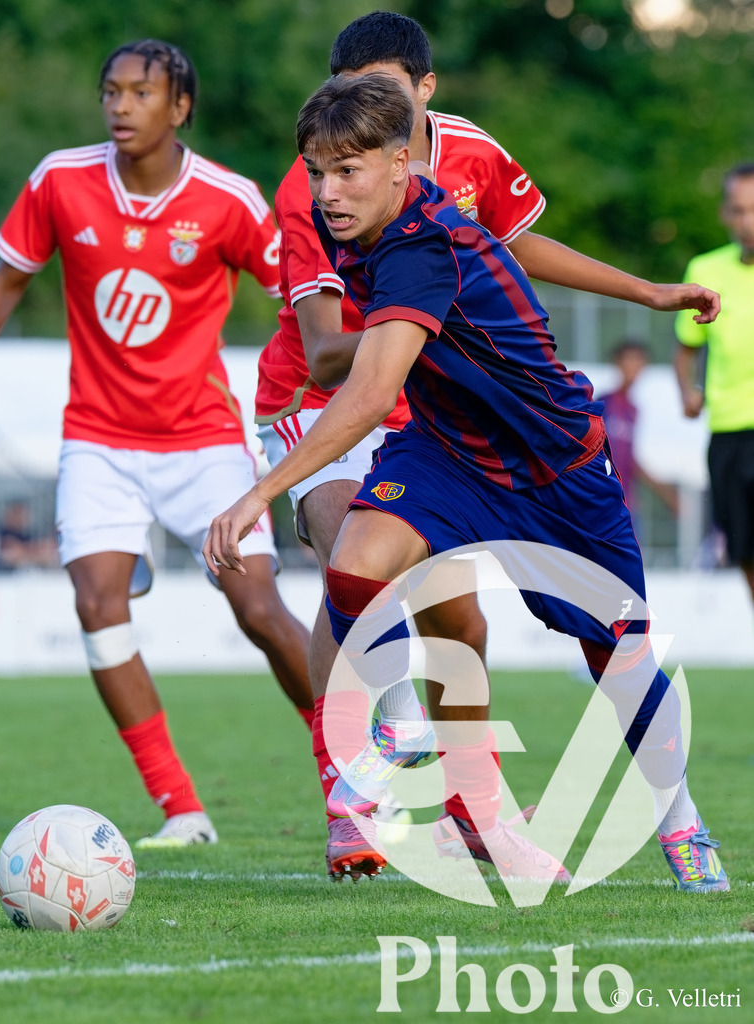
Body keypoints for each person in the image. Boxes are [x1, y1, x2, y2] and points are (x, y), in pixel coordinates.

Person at [206, 72, 728, 893]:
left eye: (346, 171)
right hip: (448, 450)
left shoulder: (421, 245)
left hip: (553, 466)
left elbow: (369, 392)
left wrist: (257, 494)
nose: (326, 191)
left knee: (618, 661)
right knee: (356, 558)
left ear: (401, 162)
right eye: (316, 171)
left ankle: (683, 824)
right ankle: (410, 754)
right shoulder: (353, 220)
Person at [0, 39, 313, 849]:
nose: (121, 105)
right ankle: (180, 807)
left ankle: (351, 769)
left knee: (257, 608)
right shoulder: (60, 180)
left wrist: (306, 386)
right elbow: (8, 277)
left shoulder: (228, 200)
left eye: (141, 92)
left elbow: (299, 297)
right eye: (111, 90)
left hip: (204, 442)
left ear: (181, 107)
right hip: (98, 440)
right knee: (98, 607)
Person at [674, 161, 754, 607]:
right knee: (744, 551)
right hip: (727, 434)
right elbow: (686, 349)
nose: (749, 222)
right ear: (726, 214)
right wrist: (688, 391)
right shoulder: (705, 269)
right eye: (740, 210)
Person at [600, 339, 679, 525]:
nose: (634, 366)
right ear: (617, 362)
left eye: (639, 361)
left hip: (627, 503)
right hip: (602, 500)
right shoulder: (603, 404)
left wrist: (665, 492)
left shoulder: (633, 410)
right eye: (629, 359)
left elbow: (629, 460)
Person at [0, 500, 58, 574]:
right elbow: (12, 552)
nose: (21, 518)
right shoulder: (1, 535)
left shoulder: (27, 534)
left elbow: (45, 554)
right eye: (18, 514)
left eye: (23, 515)